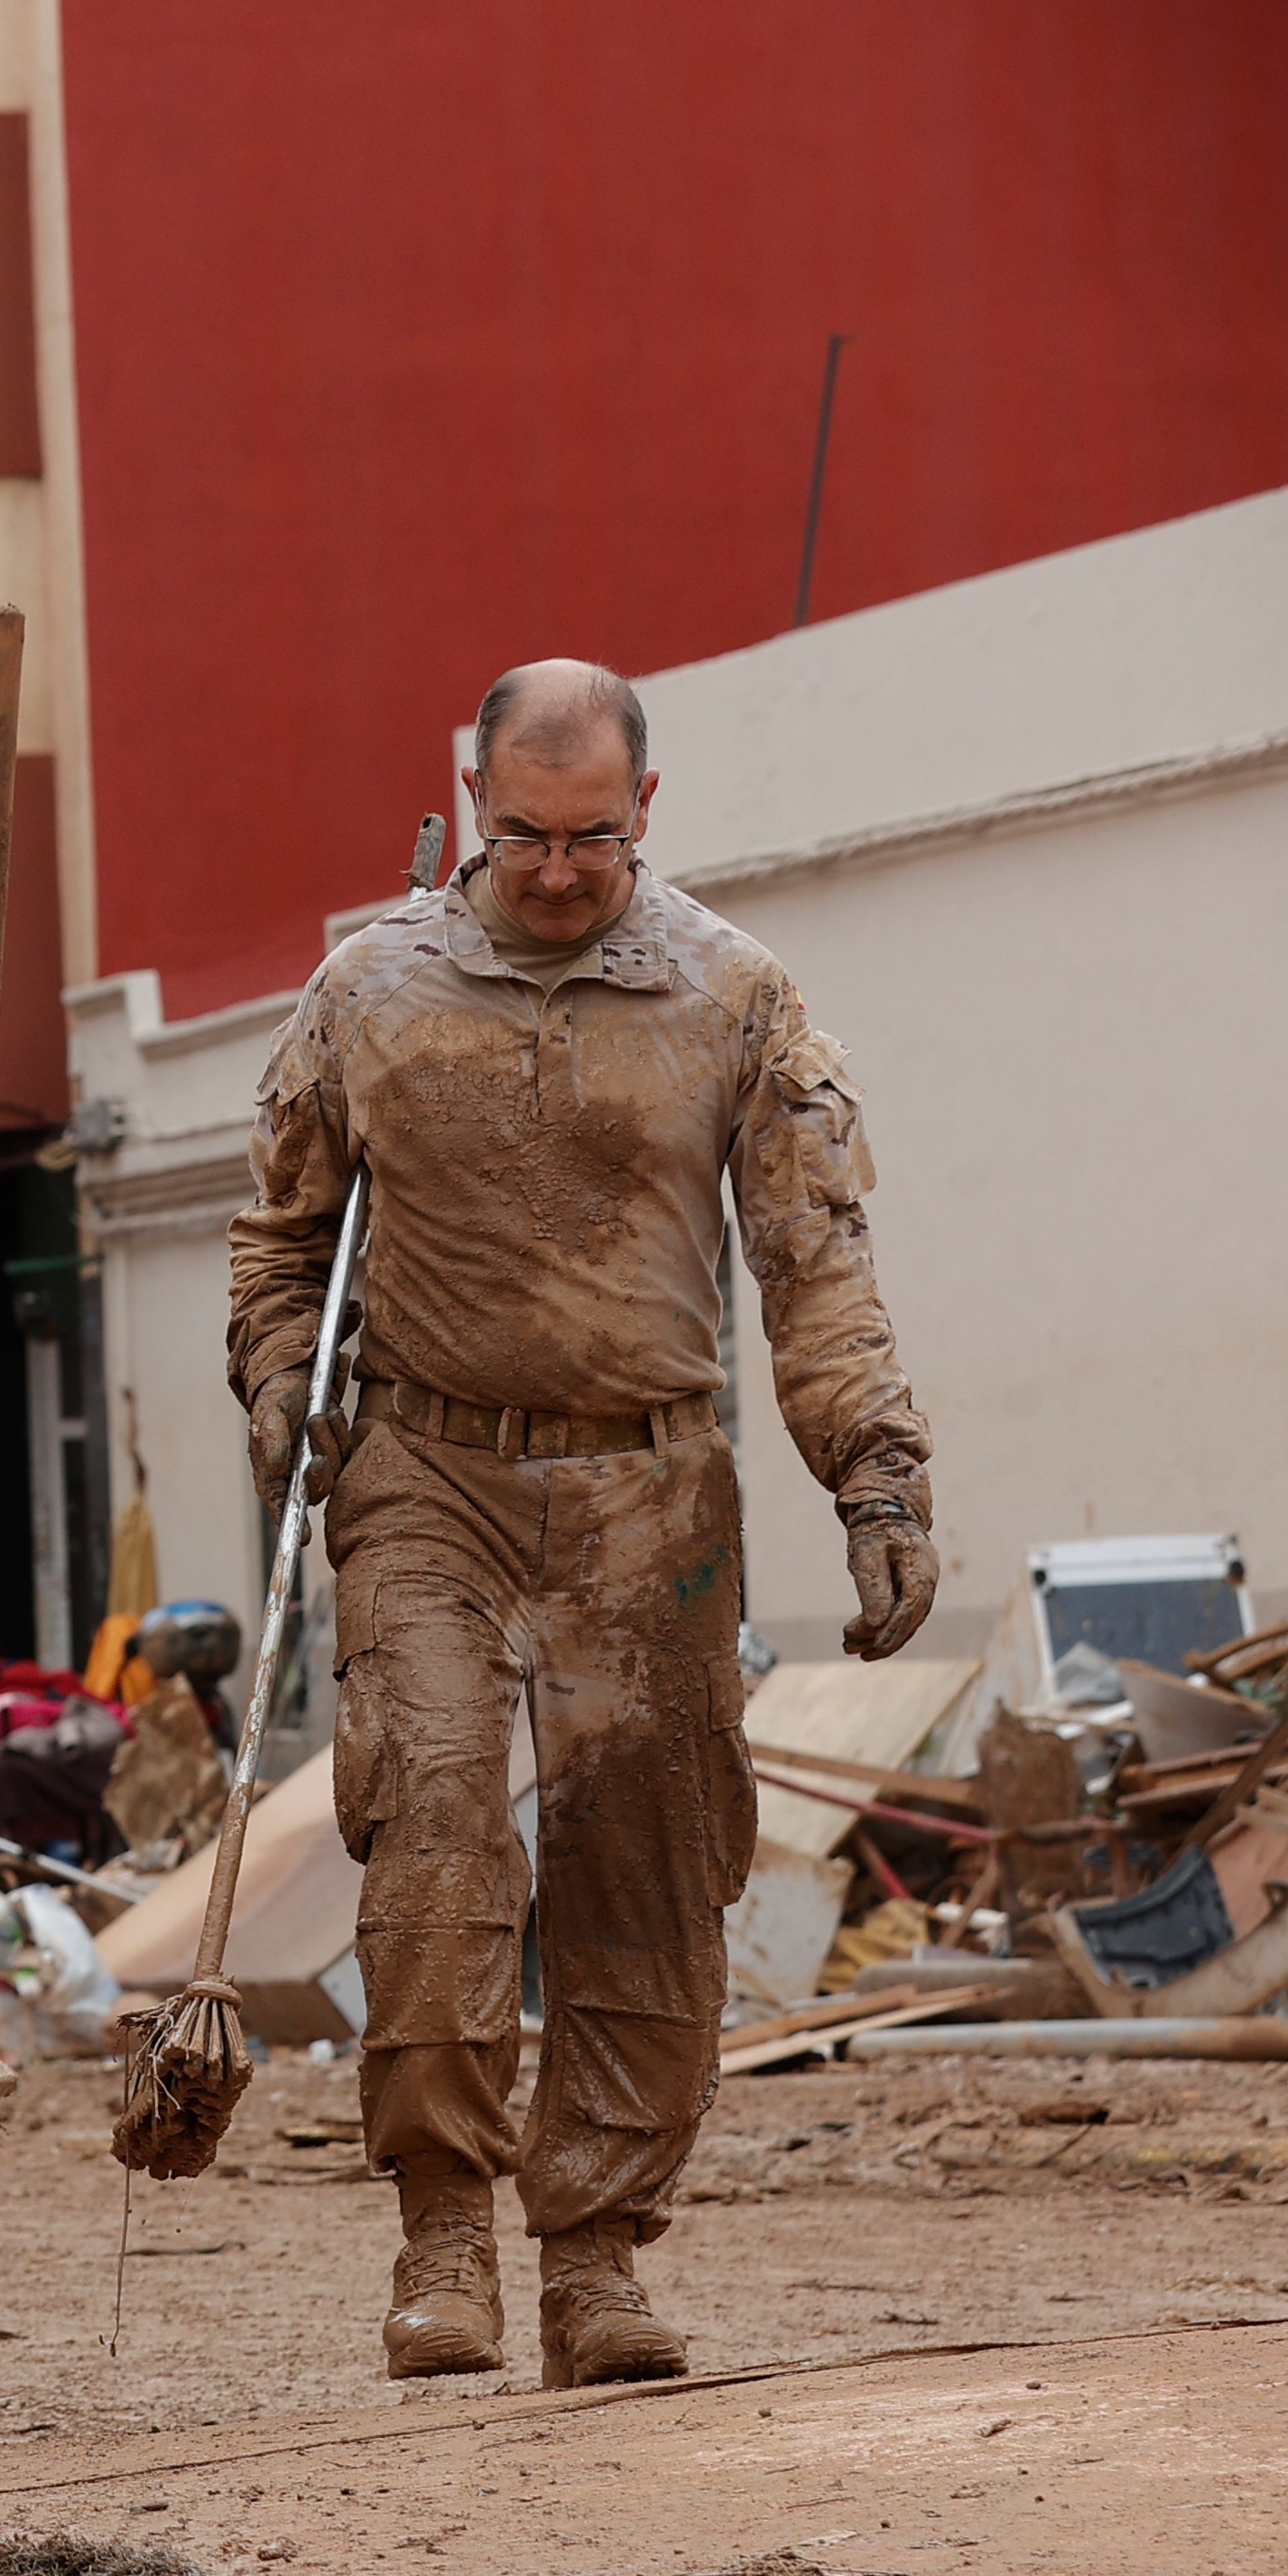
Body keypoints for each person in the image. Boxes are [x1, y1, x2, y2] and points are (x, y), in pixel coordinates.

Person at [232, 659, 932, 2390]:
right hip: (426, 1476)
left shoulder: (737, 996)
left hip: (650, 1487)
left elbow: (815, 1265)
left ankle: (599, 2251)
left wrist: (875, 1469)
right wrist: (274, 1393)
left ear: (648, 808)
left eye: (592, 838)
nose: (555, 870)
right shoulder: (363, 992)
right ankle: (441, 2234)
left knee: (644, 1866)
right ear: (470, 802)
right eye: (523, 833)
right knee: (442, 1837)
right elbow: (278, 1241)